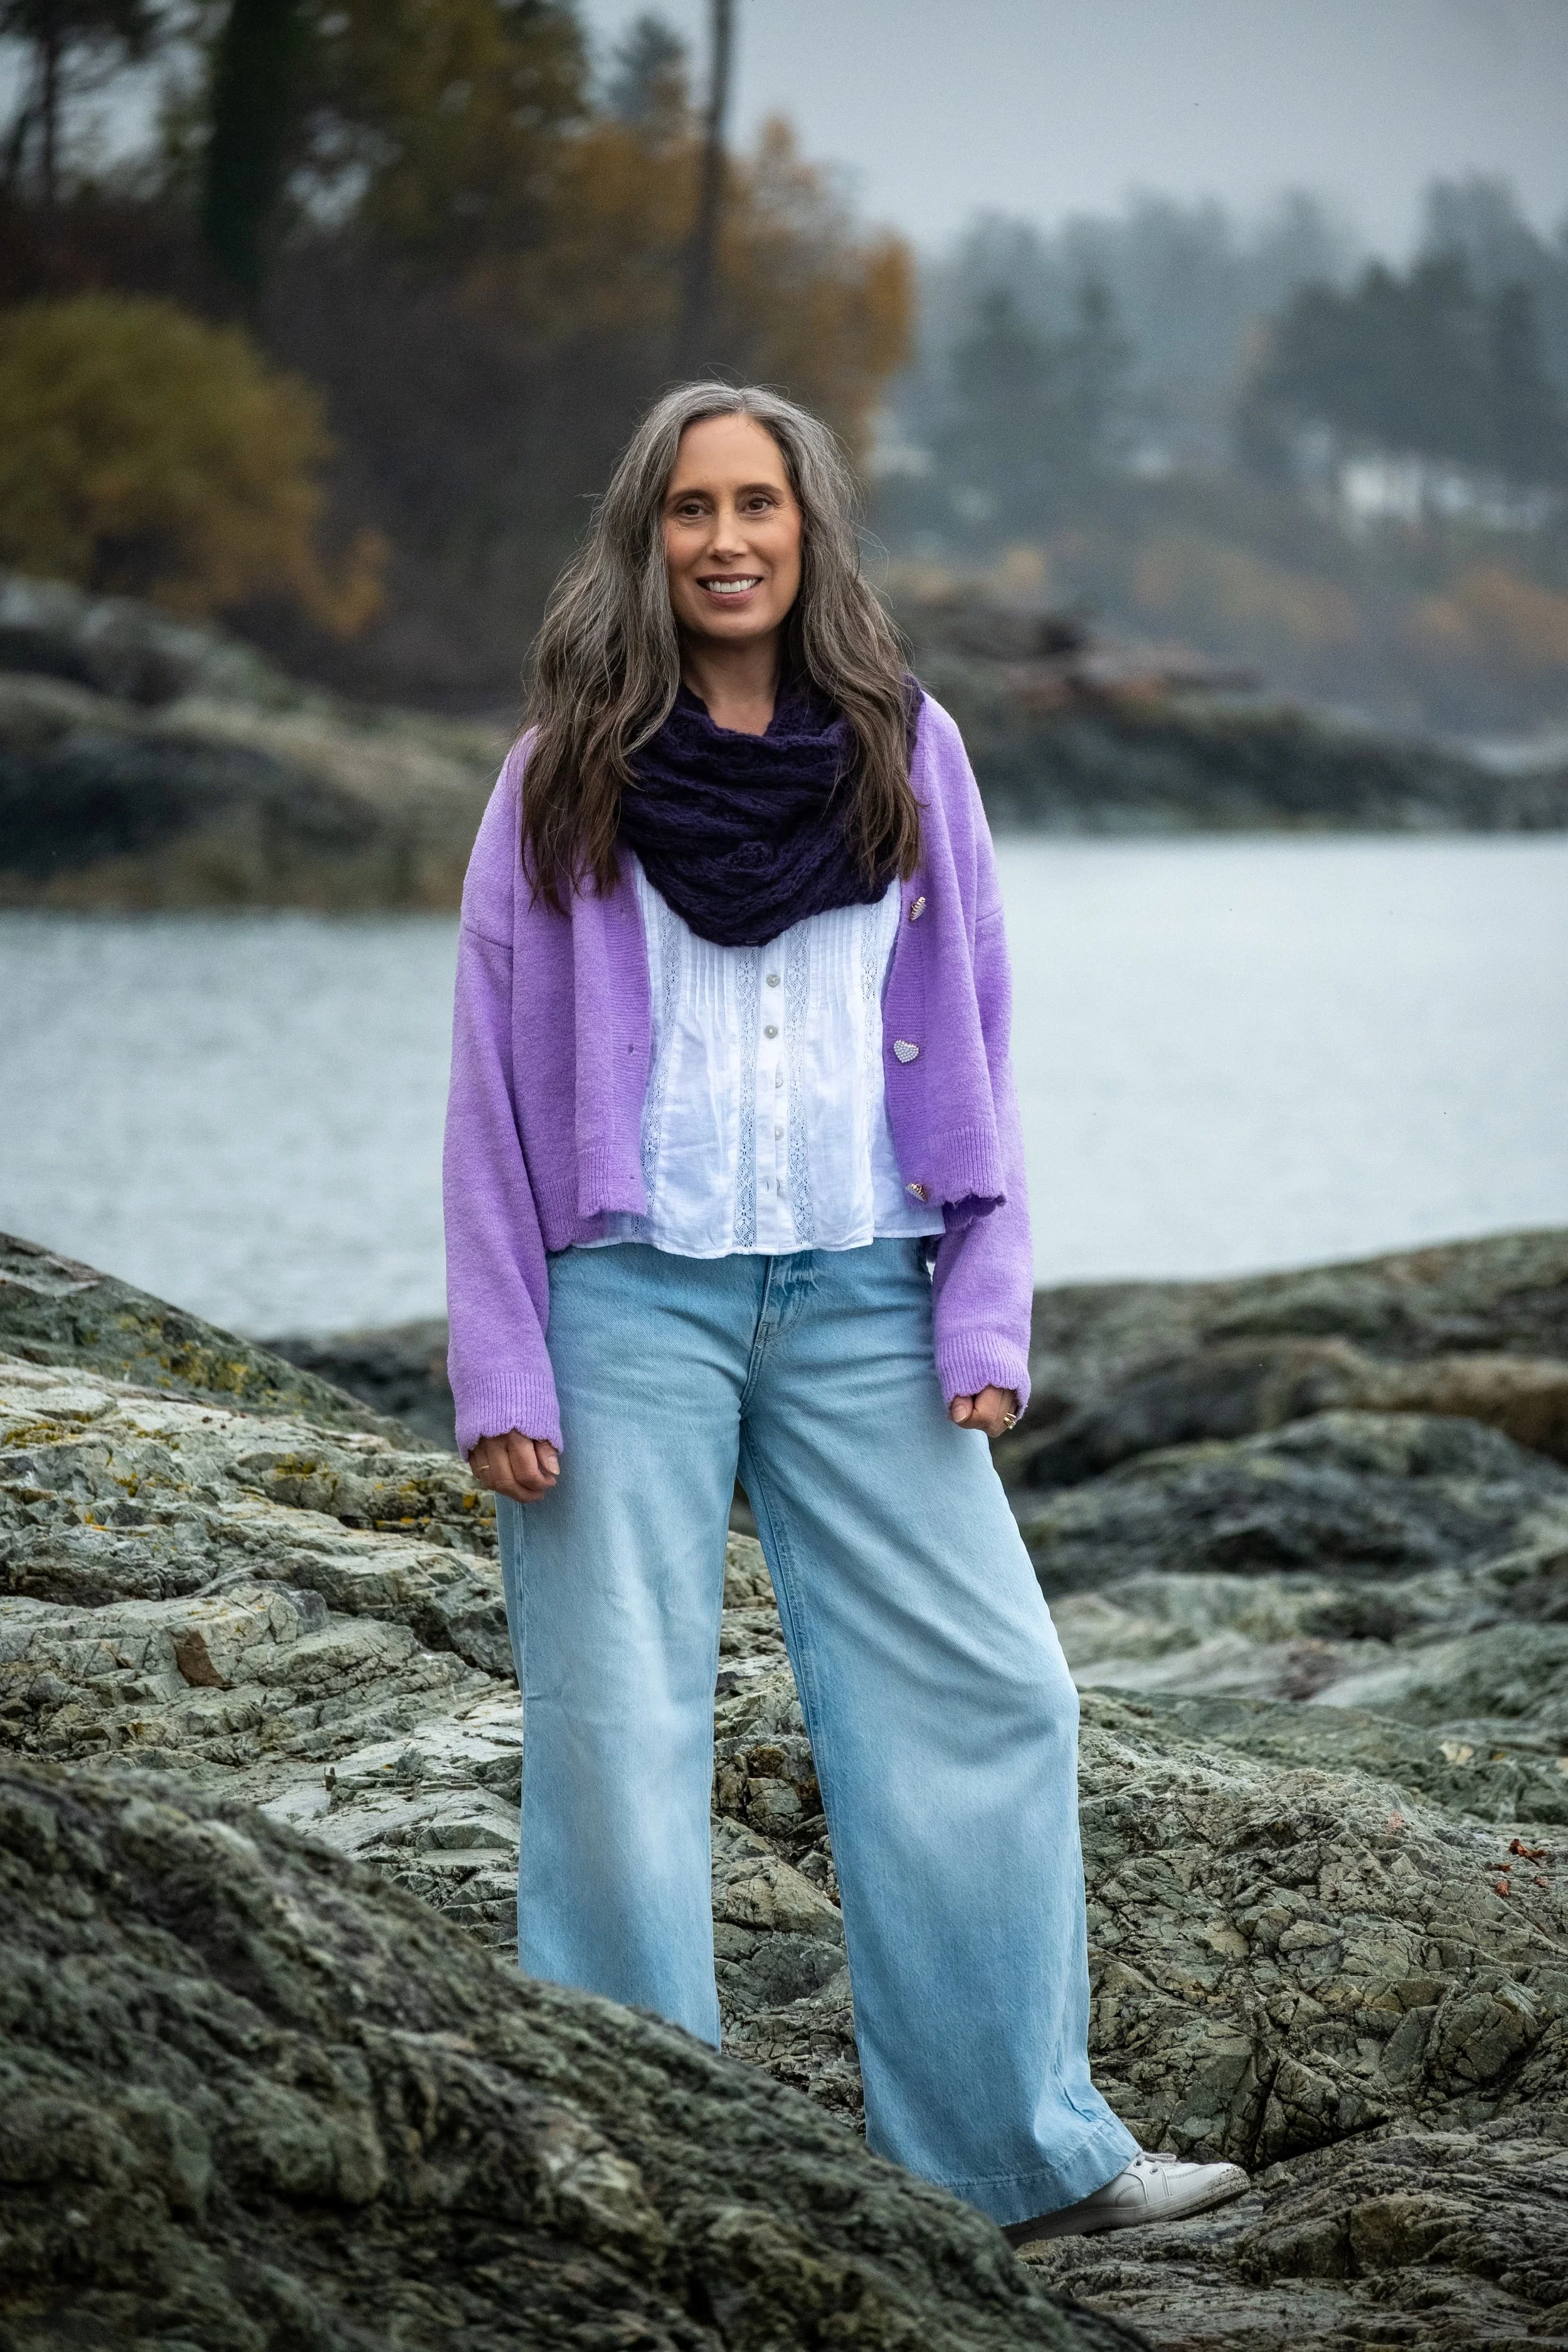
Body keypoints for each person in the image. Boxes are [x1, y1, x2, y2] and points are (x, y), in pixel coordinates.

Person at [442, 381, 1248, 2247]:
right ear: (644, 534)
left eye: (760, 503)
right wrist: (500, 1350)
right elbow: (486, 1076)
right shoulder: (565, 765)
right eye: (690, 507)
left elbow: (979, 1033)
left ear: (810, 529)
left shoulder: (904, 747)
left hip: (864, 1290)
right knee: (612, 1729)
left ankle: (1017, 2154)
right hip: (622, 1295)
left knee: (993, 1692)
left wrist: (984, 1303)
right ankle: (635, 2161)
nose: (726, 538)